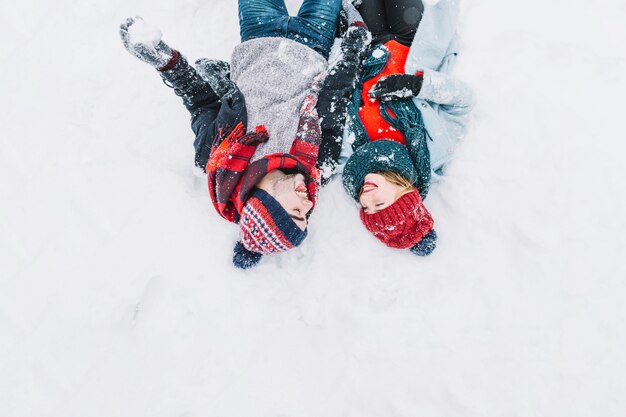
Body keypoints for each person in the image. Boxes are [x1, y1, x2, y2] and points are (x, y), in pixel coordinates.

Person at [120, 0, 370, 269]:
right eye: (307, 214)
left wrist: (168, 64)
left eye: (297, 212)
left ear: (266, 204)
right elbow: (336, 97)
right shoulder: (318, 164)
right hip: (315, 40)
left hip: (258, 32)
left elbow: (201, 103)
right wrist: (354, 41)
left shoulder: (218, 160)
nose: (308, 203)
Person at [339, 0, 473, 256]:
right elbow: (464, 102)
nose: (366, 199)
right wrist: (416, 86)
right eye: (379, 203)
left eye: (366, 209)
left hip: (367, 46)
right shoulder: (436, 150)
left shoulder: (350, 159)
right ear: (405, 192)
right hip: (412, 41)